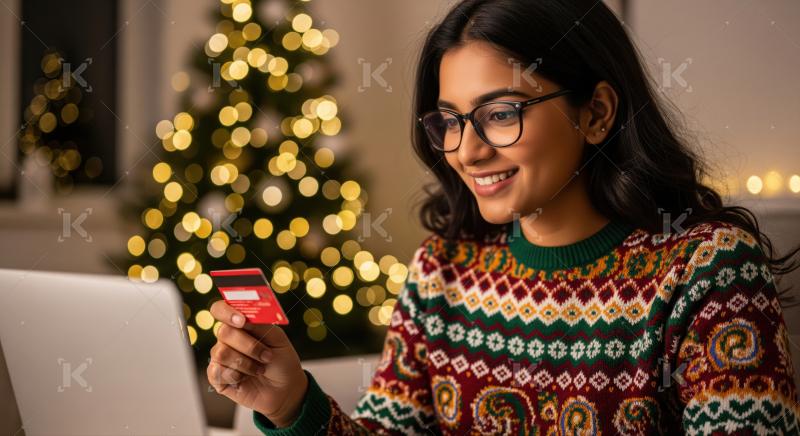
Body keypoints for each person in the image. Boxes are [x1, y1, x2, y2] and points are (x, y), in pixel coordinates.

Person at [207, 0, 800, 433]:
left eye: (500, 113)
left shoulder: (708, 270)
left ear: (595, 113)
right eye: (450, 120)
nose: (467, 150)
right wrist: (290, 405)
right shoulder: (444, 268)